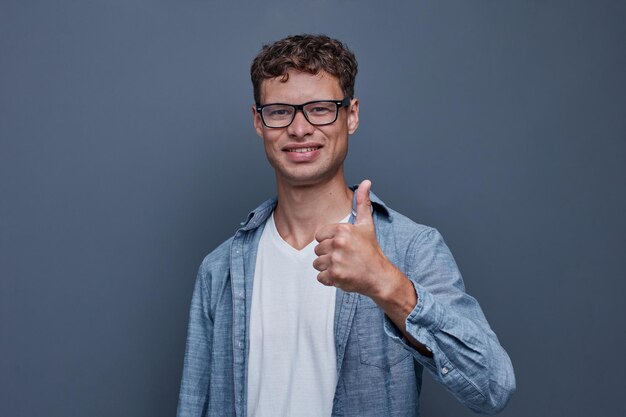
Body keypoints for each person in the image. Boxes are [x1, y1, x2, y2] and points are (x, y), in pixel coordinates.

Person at [177, 34, 515, 417]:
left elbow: (492, 386)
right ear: (259, 121)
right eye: (279, 111)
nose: (300, 128)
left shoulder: (410, 247)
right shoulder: (219, 269)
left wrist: (386, 283)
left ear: (351, 115)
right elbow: (194, 406)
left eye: (320, 109)